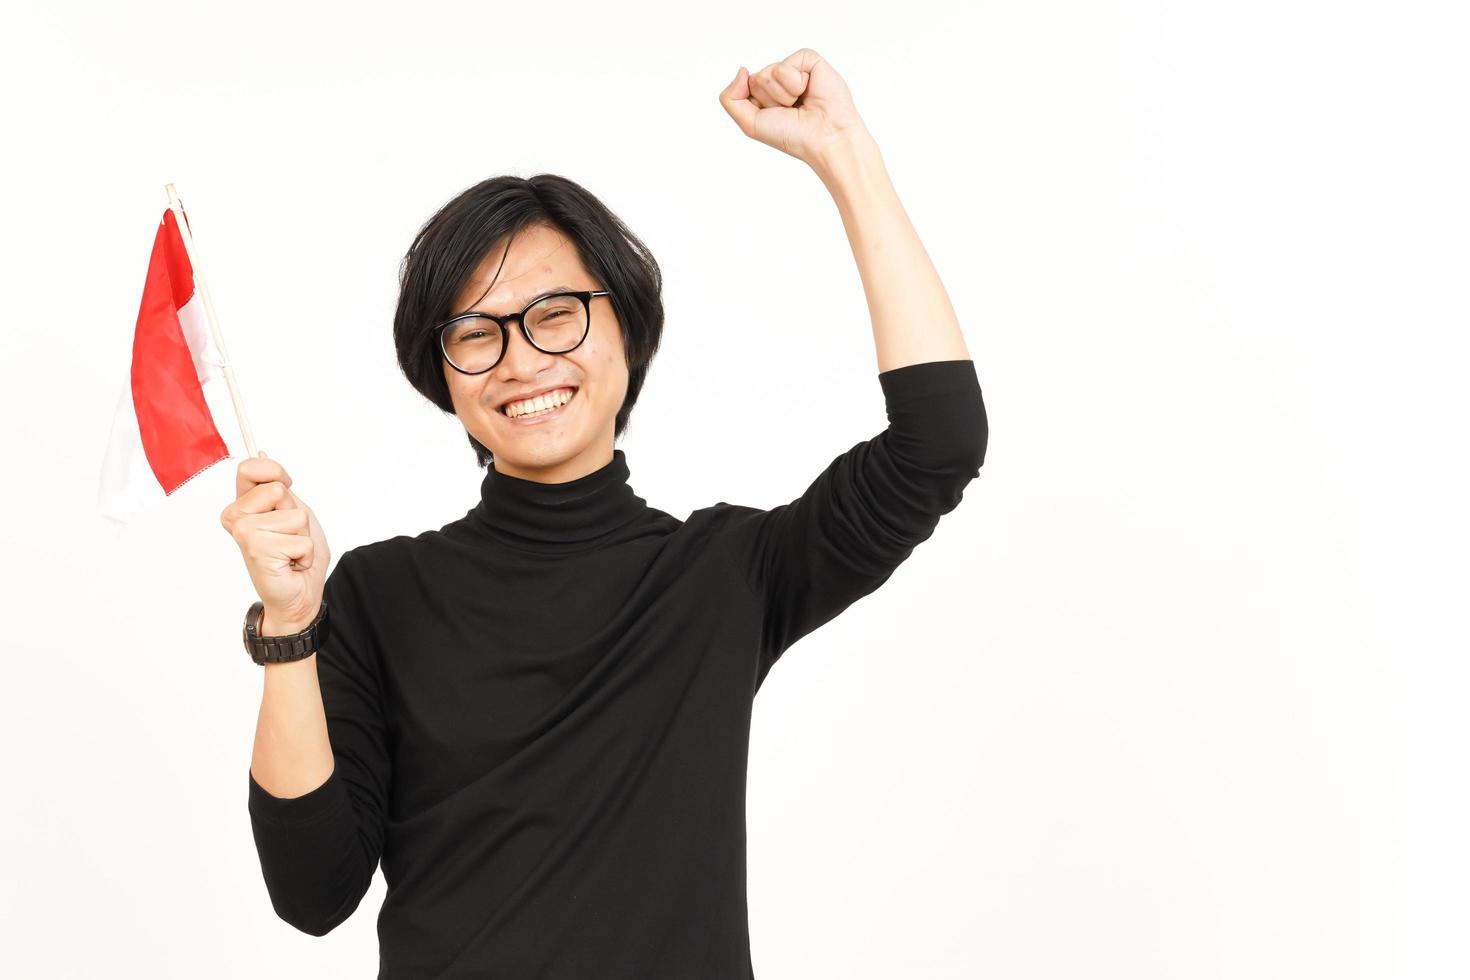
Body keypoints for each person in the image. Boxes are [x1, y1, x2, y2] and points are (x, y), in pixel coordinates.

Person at [222, 48, 988, 979]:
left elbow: (939, 442)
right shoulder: (380, 593)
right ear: (445, 376)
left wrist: (846, 156)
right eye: (476, 333)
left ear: (625, 325)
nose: (520, 360)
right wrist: (292, 629)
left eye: (555, 314)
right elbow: (311, 895)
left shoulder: (726, 574)